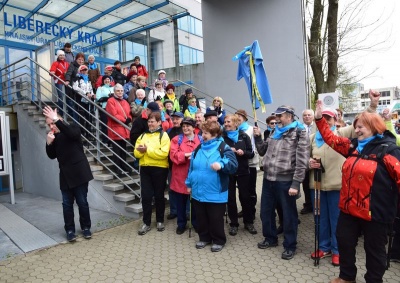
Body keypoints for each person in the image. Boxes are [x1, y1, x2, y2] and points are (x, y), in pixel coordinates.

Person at [314, 100, 400, 283]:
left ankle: (374, 280)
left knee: (374, 250)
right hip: (349, 210)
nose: (357, 130)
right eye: (356, 127)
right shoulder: (353, 146)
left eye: (361, 127)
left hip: (376, 213)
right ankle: (347, 276)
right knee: (344, 242)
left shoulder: (389, 150)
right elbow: (330, 139)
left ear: (375, 127)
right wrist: (319, 118)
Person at [254, 105, 309, 260]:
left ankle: (290, 245)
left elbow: (302, 160)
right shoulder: (273, 131)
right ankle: (270, 238)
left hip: (286, 181)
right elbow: (262, 151)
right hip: (268, 179)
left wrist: (296, 183)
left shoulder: (299, 132)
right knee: (266, 211)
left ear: (290, 116)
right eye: (276, 115)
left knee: (289, 215)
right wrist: (258, 137)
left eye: (280, 115)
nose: (277, 118)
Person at [186, 120, 238, 252]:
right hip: (198, 191)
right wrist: (189, 183)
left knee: (215, 218)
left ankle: (219, 240)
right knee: (201, 217)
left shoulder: (223, 147)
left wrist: (221, 165)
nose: (203, 135)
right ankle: (204, 238)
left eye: (206, 133)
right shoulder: (198, 148)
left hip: (216, 192)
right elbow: (192, 168)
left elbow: (233, 165)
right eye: (203, 132)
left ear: (214, 134)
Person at [43, 106, 93, 242]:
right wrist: (48, 144)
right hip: (65, 176)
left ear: (60, 119)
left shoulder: (71, 129)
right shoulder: (55, 136)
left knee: (82, 202)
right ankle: (70, 230)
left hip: (79, 173)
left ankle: (86, 228)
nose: (51, 126)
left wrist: (56, 119)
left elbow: (73, 134)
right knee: (66, 204)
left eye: (53, 122)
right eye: (49, 124)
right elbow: (52, 155)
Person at [308, 108, 345, 267]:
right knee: (319, 218)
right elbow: (304, 157)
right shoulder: (312, 138)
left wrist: (372, 106)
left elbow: (361, 126)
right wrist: (308, 162)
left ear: (335, 120)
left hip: (336, 185)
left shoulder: (342, 134)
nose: (325, 122)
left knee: (336, 220)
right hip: (316, 184)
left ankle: (337, 250)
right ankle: (324, 247)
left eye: (328, 119)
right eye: (322, 118)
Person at [134, 112, 170, 235]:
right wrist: (142, 152)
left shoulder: (164, 135)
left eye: (153, 121)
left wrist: (147, 150)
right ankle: (146, 222)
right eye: (149, 121)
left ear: (159, 122)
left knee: (159, 195)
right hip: (145, 168)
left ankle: (160, 220)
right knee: (146, 196)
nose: (150, 123)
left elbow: (163, 154)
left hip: (159, 169)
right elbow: (136, 152)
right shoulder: (143, 135)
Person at [222, 114, 255, 236]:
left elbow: (251, 153)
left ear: (236, 123)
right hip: (228, 172)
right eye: (225, 122)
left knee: (245, 197)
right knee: (230, 198)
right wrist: (227, 151)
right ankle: (234, 224)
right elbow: (218, 153)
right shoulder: (222, 137)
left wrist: (243, 152)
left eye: (228, 122)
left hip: (243, 171)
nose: (226, 124)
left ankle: (248, 222)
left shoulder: (243, 136)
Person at [169, 117, 202, 234]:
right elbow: (174, 156)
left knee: (196, 202)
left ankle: (196, 223)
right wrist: (188, 154)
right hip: (180, 176)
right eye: (183, 126)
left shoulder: (201, 139)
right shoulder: (176, 140)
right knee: (180, 203)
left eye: (188, 126)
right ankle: (181, 224)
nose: (185, 128)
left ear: (194, 127)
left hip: (196, 176)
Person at [235, 110, 259, 224]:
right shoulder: (235, 131)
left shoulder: (250, 129)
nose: (238, 118)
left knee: (251, 190)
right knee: (242, 190)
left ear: (245, 118)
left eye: (240, 116)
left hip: (251, 163)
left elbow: (253, 147)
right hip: (241, 165)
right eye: (236, 116)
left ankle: (251, 211)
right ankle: (245, 210)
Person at [105, 84, 132, 176]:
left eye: (121, 91)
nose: (120, 92)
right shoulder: (110, 101)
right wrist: (125, 120)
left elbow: (129, 113)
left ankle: (123, 165)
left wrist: (129, 118)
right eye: (118, 91)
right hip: (115, 128)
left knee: (123, 149)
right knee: (117, 150)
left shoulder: (125, 101)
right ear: (114, 91)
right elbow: (113, 114)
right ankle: (118, 167)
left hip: (123, 128)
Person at [166, 111, 184, 220]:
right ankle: (174, 210)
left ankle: (186, 212)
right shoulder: (168, 131)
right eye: (174, 119)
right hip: (171, 165)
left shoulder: (185, 131)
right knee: (171, 188)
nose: (175, 120)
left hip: (183, 165)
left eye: (178, 119)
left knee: (184, 188)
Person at [72, 64, 95, 139]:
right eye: (83, 70)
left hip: (88, 101)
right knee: (82, 118)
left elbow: (91, 89)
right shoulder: (77, 78)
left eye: (85, 70)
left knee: (89, 118)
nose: (84, 71)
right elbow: (75, 87)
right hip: (81, 100)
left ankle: (88, 134)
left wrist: (92, 94)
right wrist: (85, 93)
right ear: (80, 71)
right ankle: (82, 134)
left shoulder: (88, 79)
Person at [301, 109, 316, 215]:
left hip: (316, 158)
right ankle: (308, 204)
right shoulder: (299, 128)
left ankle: (316, 204)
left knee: (315, 183)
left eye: (309, 115)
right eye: (305, 115)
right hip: (304, 158)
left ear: (313, 116)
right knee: (305, 183)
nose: (307, 117)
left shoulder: (318, 127)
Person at [64, 52, 86, 122]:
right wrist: (67, 80)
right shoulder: (72, 65)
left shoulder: (84, 67)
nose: (81, 61)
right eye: (79, 59)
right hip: (74, 89)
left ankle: (81, 124)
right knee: (75, 107)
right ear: (76, 59)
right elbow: (69, 73)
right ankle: (76, 123)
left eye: (82, 60)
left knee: (81, 108)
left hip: (82, 91)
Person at [50, 50, 69, 116]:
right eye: (60, 55)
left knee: (68, 97)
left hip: (66, 82)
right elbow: (52, 70)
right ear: (58, 56)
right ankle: (61, 113)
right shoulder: (55, 63)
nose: (62, 56)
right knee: (61, 97)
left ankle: (68, 112)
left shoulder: (67, 63)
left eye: (63, 55)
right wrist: (52, 72)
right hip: (59, 81)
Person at [95, 75, 113, 144]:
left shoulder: (113, 88)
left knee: (111, 124)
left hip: (112, 108)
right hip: (104, 107)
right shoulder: (100, 88)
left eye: (108, 79)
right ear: (103, 81)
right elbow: (98, 98)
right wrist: (107, 98)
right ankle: (105, 139)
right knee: (105, 123)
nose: (107, 80)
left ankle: (112, 138)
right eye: (105, 79)